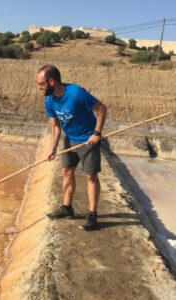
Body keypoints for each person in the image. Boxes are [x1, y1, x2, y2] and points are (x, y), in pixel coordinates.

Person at [37, 65, 107, 230]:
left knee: (90, 176)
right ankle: (67, 208)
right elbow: (55, 128)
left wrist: (96, 133)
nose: (39, 87)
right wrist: (53, 148)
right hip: (70, 139)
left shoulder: (76, 93)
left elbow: (102, 109)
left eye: (41, 84)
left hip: (88, 140)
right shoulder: (49, 101)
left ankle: (92, 214)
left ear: (51, 81)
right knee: (66, 171)